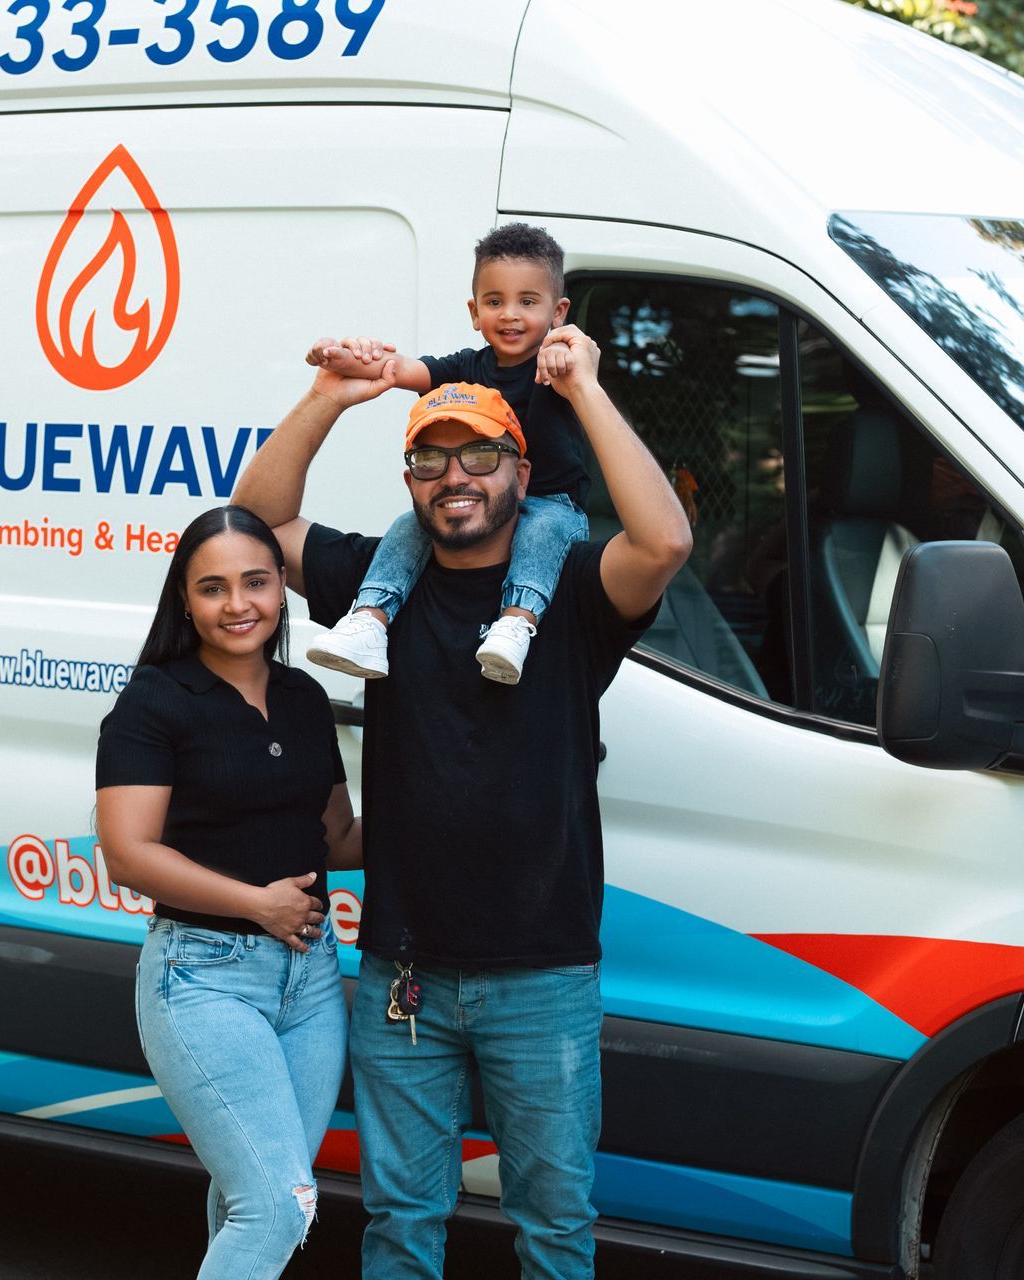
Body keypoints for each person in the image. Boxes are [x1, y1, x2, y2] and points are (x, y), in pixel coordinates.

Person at [231, 332, 691, 1278]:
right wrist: (326, 397)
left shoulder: (571, 590)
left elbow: (666, 540)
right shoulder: (378, 589)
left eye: (479, 454)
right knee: (402, 1222)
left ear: (521, 471)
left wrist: (589, 391)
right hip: (405, 973)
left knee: (555, 1227)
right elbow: (254, 522)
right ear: (411, 482)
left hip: (543, 978)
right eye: (431, 459)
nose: (455, 476)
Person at [96, 505, 362, 1279]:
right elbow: (128, 852)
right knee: (280, 1204)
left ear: (284, 588)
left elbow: (338, 840)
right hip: (202, 978)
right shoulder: (155, 700)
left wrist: (451, 804)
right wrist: (256, 903)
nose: (237, 604)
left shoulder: (307, 697)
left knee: (249, 1199)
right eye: (213, 588)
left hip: (310, 981)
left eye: (255, 581)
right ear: (186, 599)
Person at [303, 223, 592, 685]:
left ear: (558, 312)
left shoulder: (556, 361)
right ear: (475, 313)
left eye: (528, 302)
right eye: (495, 302)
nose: (511, 315)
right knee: (408, 525)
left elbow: (578, 374)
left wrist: (569, 360)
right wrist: (340, 355)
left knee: (542, 532)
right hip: (482, 501)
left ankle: (516, 623)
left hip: (552, 501)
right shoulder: (468, 367)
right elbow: (397, 369)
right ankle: (370, 621)